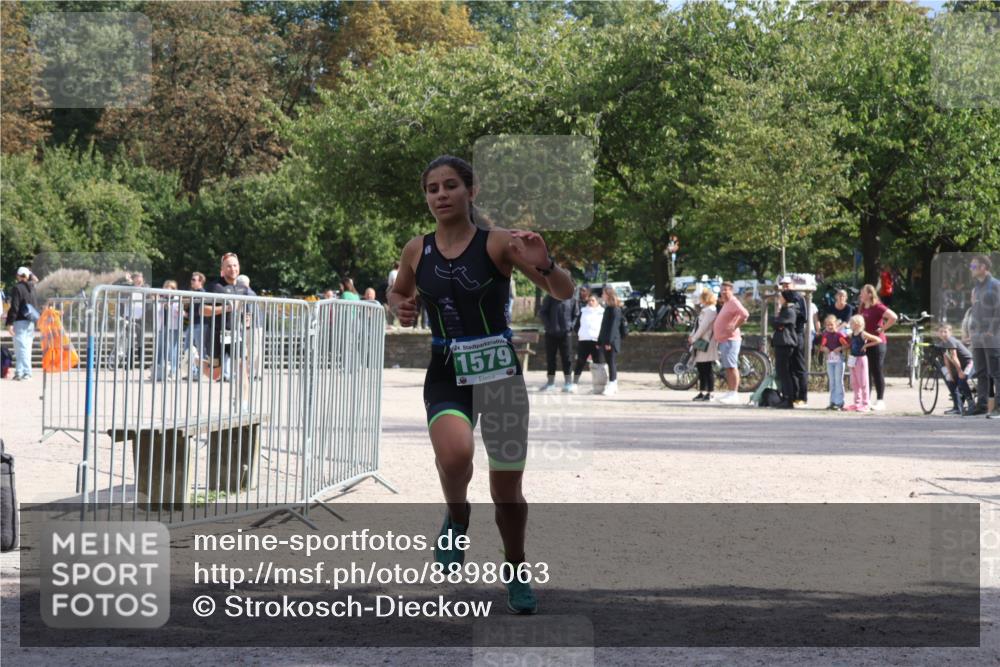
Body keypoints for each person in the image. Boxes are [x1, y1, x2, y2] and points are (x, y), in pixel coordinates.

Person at [387, 155, 573, 615]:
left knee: (507, 491)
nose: (441, 195)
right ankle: (457, 514)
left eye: (451, 185)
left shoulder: (500, 244)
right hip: (447, 369)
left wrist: (545, 262)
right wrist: (399, 305)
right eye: (433, 189)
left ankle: (515, 569)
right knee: (454, 456)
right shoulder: (417, 248)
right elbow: (401, 291)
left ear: (471, 192)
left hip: (500, 375)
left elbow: (563, 292)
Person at [203, 253, 253, 387]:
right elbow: (202, 310)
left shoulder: (243, 288)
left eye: (235, 265)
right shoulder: (215, 287)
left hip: (235, 334)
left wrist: (246, 317)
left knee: (243, 369)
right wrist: (226, 308)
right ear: (223, 269)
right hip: (216, 333)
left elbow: (244, 308)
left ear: (239, 267)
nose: (233, 269)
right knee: (215, 374)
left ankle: (243, 405)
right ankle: (194, 360)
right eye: (229, 266)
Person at [967, 255, 1000, 418]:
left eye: (973, 267)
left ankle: (999, 408)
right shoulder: (977, 287)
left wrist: (991, 330)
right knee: (981, 371)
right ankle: (982, 405)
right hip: (978, 335)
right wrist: (972, 330)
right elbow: (976, 311)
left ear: (983, 268)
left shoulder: (995, 285)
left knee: (996, 372)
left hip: (992, 335)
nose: (971, 269)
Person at [858, 283, 898, 411]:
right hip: (866, 343)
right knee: (866, 371)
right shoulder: (862, 307)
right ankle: (866, 400)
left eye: (863, 292)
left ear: (870, 294)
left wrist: (883, 328)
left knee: (877, 370)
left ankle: (880, 400)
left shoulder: (878, 307)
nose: (860, 294)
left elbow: (893, 317)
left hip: (878, 343)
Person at [713, 281, 749, 405]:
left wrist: (734, 326)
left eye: (725, 290)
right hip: (724, 339)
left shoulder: (733, 302)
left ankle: (734, 393)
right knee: (728, 367)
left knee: (732, 366)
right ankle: (730, 392)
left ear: (731, 291)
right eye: (721, 290)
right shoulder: (727, 303)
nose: (723, 292)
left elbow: (745, 314)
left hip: (730, 340)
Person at [538, 292, 578, 393]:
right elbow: (543, 312)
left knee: (567, 358)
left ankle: (568, 382)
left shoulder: (572, 298)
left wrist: (570, 326)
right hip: (551, 333)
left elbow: (576, 314)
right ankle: (550, 382)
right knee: (551, 358)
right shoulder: (550, 297)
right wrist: (549, 326)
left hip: (566, 334)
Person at [777, 277, 809, 403]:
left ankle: (802, 397)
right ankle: (793, 395)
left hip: (797, 335)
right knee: (789, 367)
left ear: (793, 285)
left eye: (787, 284)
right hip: (788, 337)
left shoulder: (799, 298)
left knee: (799, 367)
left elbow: (803, 317)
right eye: (783, 285)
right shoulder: (783, 299)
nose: (785, 286)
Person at [5, 267, 40, 381]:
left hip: (20, 321)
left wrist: (9, 322)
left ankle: (26, 372)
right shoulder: (32, 287)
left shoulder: (17, 288)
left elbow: (14, 306)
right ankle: (19, 372)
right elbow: (36, 279)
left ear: (18, 276)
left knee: (21, 348)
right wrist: (30, 273)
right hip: (31, 322)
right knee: (25, 348)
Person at [935, 324, 975, 416]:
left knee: (961, 381)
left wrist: (960, 372)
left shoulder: (951, 341)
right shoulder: (943, 343)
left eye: (946, 331)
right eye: (941, 332)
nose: (943, 333)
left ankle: (972, 405)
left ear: (950, 333)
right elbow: (947, 360)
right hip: (960, 365)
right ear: (938, 333)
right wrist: (951, 374)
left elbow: (954, 357)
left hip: (969, 363)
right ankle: (958, 408)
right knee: (951, 382)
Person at [845, 315, 882, 412]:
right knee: (855, 382)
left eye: (852, 323)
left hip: (861, 359)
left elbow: (878, 340)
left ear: (857, 324)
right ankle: (857, 402)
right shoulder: (852, 334)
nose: (850, 325)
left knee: (863, 382)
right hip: (853, 359)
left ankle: (866, 403)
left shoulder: (862, 334)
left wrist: (866, 344)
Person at [571, 293, 605, 393]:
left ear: (597, 302)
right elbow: (577, 325)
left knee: (598, 363)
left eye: (593, 300)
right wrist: (581, 333)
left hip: (596, 340)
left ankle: (598, 386)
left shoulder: (602, 312)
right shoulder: (583, 311)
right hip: (584, 340)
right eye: (589, 300)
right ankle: (574, 383)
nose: (590, 302)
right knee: (580, 362)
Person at [688, 288, 718, 401]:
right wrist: (692, 336)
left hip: (706, 342)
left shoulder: (710, 310)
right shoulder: (705, 309)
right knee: (701, 368)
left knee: (707, 368)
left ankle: (710, 393)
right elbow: (697, 326)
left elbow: (703, 327)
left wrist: (694, 337)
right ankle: (702, 392)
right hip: (700, 342)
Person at [771, 290, 799, 409]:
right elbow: (778, 324)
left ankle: (789, 398)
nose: (779, 299)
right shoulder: (784, 310)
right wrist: (777, 322)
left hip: (786, 343)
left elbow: (779, 323)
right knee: (781, 371)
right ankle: (785, 396)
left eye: (781, 297)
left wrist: (776, 321)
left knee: (785, 372)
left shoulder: (789, 311)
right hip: (781, 343)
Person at [597, 286, 625, 396]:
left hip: (612, 341)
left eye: (603, 293)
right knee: (609, 362)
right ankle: (613, 383)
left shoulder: (616, 309)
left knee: (611, 362)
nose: (602, 296)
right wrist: (600, 341)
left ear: (608, 294)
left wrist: (609, 342)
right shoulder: (608, 308)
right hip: (606, 340)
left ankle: (612, 383)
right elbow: (604, 327)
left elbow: (614, 327)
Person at [153, 280, 182, 381]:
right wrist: (160, 304)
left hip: (173, 327)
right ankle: (158, 371)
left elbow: (180, 314)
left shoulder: (177, 298)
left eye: (171, 288)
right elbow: (156, 312)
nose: (168, 289)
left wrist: (170, 308)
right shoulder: (160, 298)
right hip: (162, 326)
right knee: (160, 348)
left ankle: (172, 372)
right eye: (166, 287)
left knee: (172, 350)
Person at [819, 315, 849, 410]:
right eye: (828, 325)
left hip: (839, 360)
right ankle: (832, 401)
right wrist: (825, 348)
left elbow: (847, 345)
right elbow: (821, 346)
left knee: (838, 381)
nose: (830, 327)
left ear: (836, 324)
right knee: (832, 382)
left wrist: (840, 348)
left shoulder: (839, 335)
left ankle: (839, 402)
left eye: (831, 324)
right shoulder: (825, 335)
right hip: (830, 361)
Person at [183, 272, 207, 380]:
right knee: (188, 348)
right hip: (192, 324)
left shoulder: (203, 293)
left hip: (200, 324)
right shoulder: (194, 293)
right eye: (192, 279)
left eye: (194, 280)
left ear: (200, 281)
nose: (191, 281)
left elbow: (203, 310)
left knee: (200, 349)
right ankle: (192, 372)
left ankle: (198, 372)